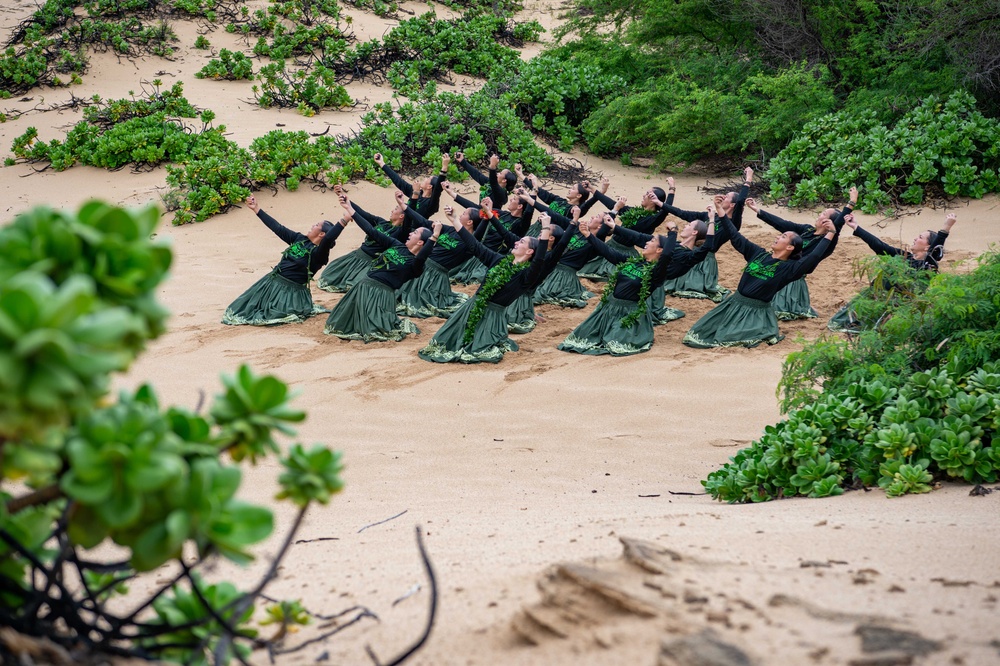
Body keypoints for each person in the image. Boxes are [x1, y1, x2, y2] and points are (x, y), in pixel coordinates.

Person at [558, 212, 713, 356]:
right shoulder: (630, 262)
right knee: (578, 339)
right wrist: (588, 236)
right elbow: (607, 251)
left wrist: (672, 232)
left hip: (628, 314)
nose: (646, 243)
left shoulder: (656, 273)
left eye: (652, 241)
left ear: (659, 250)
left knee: (615, 343)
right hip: (606, 309)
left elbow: (667, 255)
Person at [682, 204, 836, 349]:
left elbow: (814, 256)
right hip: (732, 304)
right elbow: (736, 236)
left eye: (783, 237)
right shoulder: (759, 254)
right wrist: (720, 211)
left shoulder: (789, 269)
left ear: (790, 247)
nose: (777, 237)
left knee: (727, 338)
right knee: (695, 335)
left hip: (754, 313)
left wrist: (831, 233)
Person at [418, 209, 551, 364]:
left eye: (521, 242)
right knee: (443, 341)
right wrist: (454, 220)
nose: (516, 242)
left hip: (492, 317)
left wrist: (546, 228)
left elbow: (539, 259)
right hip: (471, 307)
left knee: (479, 348)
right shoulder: (498, 259)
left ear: (529, 251)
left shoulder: (527, 275)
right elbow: (474, 245)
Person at [323, 195, 442, 342]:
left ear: (420, 243)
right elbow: (371, 231)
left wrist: (435, 236)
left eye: (415, 233)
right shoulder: (396, 245)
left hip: (381, 295)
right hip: (363, 285)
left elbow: (422, 256)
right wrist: (350, 209)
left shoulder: (416, 265)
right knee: (337, 324)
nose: (411, 233)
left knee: (374, 329)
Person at [223, 195, 344, 326]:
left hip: (290, 293)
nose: (312, 225)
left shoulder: (319, 254)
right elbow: (278, 228)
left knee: (272, 315)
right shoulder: (299, 239)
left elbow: (327, 240)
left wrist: (344, 221)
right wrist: (256, 209)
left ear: (321, 234)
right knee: (239, 310)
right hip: (270, 283)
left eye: (316, 225)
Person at [828, 212, 957, 332]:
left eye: (920, 237)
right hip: (874, 296)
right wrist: (856, 227)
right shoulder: (905, 256)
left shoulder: (927, 266)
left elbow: (935, 251)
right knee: (837, 323)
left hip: (893, 304)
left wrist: (946, 227)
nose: (915, 239)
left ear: (927, 246)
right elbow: (880, 246)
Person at [746, 186, 855, 320]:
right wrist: (758, 210)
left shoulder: (827, 241)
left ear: (828, 222)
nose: (819, 214)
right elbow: (782, 224)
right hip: (780, 271)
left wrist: (851, 202)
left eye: (823, 214)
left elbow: (837, 225)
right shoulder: (807, 230)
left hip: (792, 276)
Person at [661, 167, 756, 300]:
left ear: (732, 205)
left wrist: (749, 178)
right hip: (690, 254)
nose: (723, 197)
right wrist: (660, 203)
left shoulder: (732, 224)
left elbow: (740, 201)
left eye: (727, 196)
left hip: (704, 259)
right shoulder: (711, 216)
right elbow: (683, 213)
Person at [316, 186, 408, 293]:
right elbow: (361, 213)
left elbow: (409, 221)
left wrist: (404, 202)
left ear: (402, 216)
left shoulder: (401, 233)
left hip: (371, 263)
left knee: (356, 287)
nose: (392, 210)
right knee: (328, 275)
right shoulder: (381, 222)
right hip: (356, 256)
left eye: (396, 209)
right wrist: (345, 198)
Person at [442, 182, 535, 285]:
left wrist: (530, 196)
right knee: (453, 274)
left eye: (514, 199)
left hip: (493, 257)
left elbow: (529, 214)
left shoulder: (521, 224)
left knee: (476, 279)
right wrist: (452, 193)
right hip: (479, 250)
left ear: (520, 206)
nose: (511, 200)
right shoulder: (501, 213)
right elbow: (475, 208)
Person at [395, 202, 476, 318]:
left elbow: (482, 232)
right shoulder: (451, 230)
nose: (460, 215)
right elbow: (424, 222)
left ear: (470, 222)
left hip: (436, 276)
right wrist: (404, 207)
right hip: (422, 266)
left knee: (420, 301)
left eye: (464, 214)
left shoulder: (471, 243)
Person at [576, 184, 673, 280]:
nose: (644, 195)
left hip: (623, 251)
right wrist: (593, 190)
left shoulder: (652, 219)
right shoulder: (634, 212)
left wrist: (672, 190)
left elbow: (665, 211)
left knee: (612, 274)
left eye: (648, 194)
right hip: (610, 245)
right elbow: (613, 205)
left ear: (654, 200)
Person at [373, 152, 449, 218]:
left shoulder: (431, 204)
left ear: (429, 186)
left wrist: (444, 167)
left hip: (413, 232)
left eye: (428, 179)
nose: (425, 178)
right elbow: (399, 182)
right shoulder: (418, 192)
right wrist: (382, 163)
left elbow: (437, 190)